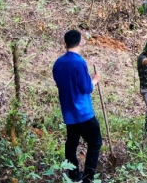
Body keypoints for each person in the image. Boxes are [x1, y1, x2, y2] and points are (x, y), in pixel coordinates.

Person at [53, 30, 103, 182]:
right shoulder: (79, 62)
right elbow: (86, 88)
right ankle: (88, 178)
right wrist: (95, 80)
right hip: (83, 111)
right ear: (80, 42)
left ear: (65, 44)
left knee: (72, 142)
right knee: (95, 142)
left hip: (68, 112)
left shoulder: (58, 63)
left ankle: (74, 175)